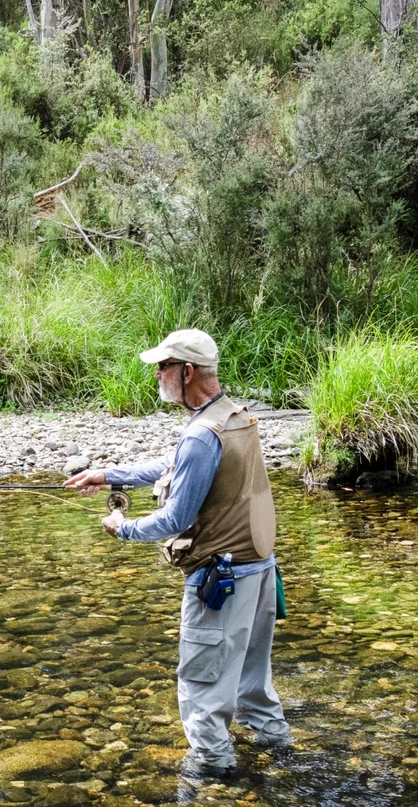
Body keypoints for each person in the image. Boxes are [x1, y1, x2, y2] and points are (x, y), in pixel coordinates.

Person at [63, 328, 290, 772]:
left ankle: (210, 783)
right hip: (260, 572)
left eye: (163, 367)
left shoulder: (202, 434)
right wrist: (110, 475)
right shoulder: (232, 416)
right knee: (252, 685)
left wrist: (123, 528)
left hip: (221, 583)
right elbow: (175, 466)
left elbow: (174, 519)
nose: (157, 376)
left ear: (187, 372)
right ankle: (280, 758)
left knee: (201, 690)